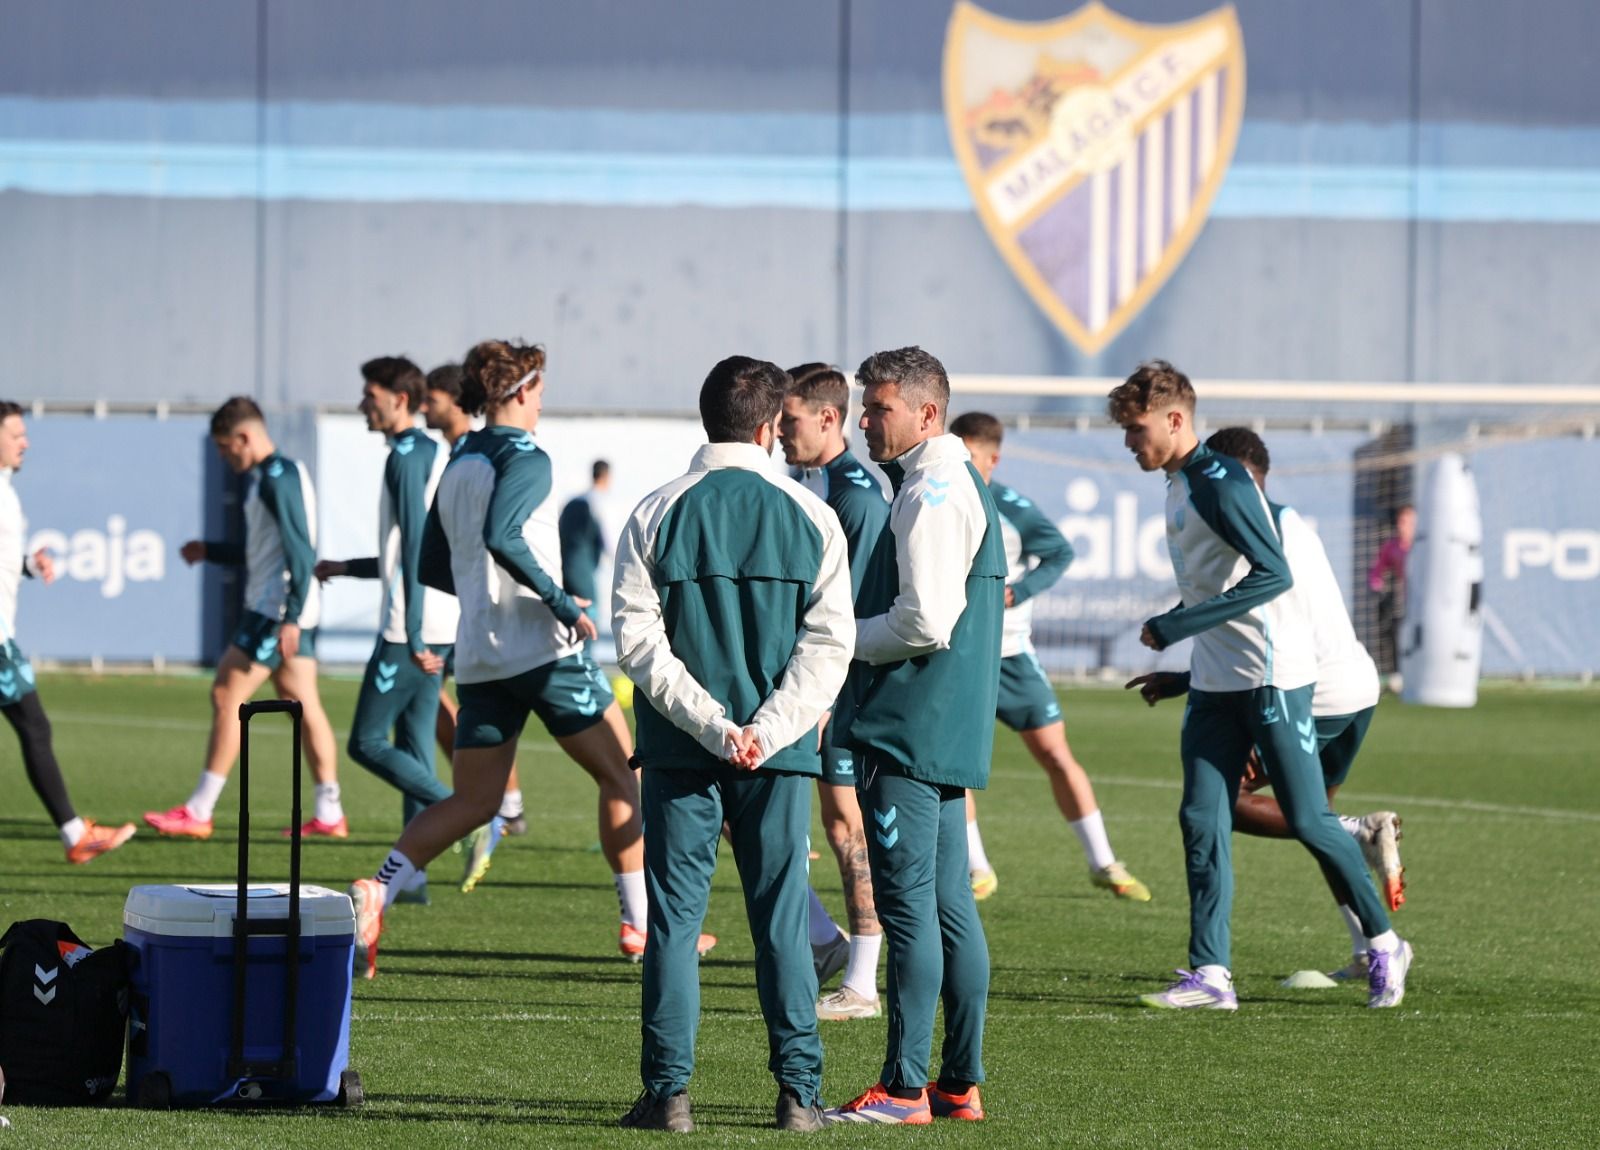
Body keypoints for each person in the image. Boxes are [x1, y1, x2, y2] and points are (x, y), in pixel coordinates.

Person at [349, 341, 672, 977]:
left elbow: (432, 564)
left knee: (474, 801)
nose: (544, 399)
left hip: (480, 654)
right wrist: (559, 601)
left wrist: (483, 597)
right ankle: (642, 925)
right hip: (542, 648)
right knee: (622, 775)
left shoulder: (460, 458)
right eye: (541, 387)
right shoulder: (526, 455)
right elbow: (505, 535)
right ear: (521, 390)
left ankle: (377, 890)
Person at [1108, 361, 1411, 1011]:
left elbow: (1272, 575)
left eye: (1136, 430)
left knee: (1308, 818)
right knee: (1201, 817)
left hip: (1274, 680)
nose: (1130, 442)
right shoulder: (1179, 481)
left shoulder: (1218, 482)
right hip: (1219, 683)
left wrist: (1177, 624)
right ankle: (1211, 976)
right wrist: (1187, 675)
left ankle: (1386, 943)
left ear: (1176, 419)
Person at [612, 355, 853, 1134]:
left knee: (676, 924)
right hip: (776, 757)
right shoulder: (811, 514)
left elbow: (638, 644)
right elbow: (829, 647)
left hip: (682, 752)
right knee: (781, 921)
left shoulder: (655, 510)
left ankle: (669, 1095)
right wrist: (764, 730)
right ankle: (798, 1097)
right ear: (767, 426)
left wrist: (712, 725)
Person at [825, 347, 1005, 1126]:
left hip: (909, 724)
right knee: (950, 909)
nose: (866, 420)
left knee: (909, 915)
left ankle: (903, 1090)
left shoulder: (931, 489)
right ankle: (957, 1084)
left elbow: (925, 621)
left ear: (926, 413)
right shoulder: (952, 480)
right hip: (943, 725)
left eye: (878, 407)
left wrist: (839, 638)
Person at [948, 412, 1151, 905]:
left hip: (1012, 655)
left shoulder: (1011, 505)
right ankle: (977, 868)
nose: (962, 467)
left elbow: (1058, 551)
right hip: (957, 656)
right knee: (952, 766)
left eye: (970, 457)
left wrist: (1020, 590)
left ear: (992, 459)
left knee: (1057, 754)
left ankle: (1103, 861)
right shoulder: (940, 499)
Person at [146, 397, 344, 840]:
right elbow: (267, 553)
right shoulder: (274, 476)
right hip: (287, 607)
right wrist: (211, 551)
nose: (223, 456)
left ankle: (199, 810)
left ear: (244, 437)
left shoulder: (277, 478)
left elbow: (300, 550)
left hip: (274, 611)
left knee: (225, 694)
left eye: (224, 446)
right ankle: (330, 811)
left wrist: (290, 616)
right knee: (304, 704)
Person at [315, 357, 459, 902]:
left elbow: (418, 550)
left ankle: (464, 812)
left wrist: (415, 634)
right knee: (415, 744)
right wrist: (345, 567)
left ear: (401, 399)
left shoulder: (406, 456)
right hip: (435, 617)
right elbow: (406, 550)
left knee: (367, 742)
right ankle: (413, 876)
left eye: (369, 395)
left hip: (410, 627)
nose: (362, 405)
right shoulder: (424, 452)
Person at [776, 362, 888, 1022]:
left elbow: (854, 613)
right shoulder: (806, 482)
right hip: (802, 684)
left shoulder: (856, 498)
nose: (781, 432)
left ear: (828, 418)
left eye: (790, 422)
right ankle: (824, 942)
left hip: (836, 691)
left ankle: (864, 983)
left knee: (846, 827)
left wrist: (823, 698)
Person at [0, 401, 136, 864]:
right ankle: (75, 834)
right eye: (15, 434)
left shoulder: (7, 490)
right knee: (35, 726)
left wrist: (26, 564)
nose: (25, 442)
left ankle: (75, 833)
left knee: (34, 726)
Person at [423, 362, 527, 837]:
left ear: (456, 401)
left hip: (479, 618)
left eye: (432, 398)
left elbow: (500, 537)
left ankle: (489, 807)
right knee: (471, 714)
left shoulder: (475, 455)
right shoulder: (455, 456)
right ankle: (502, 804)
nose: (427, 406)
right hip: (467, 615)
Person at [558, 459, 611, 650]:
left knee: (570, 617)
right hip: (584, 572)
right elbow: (606, 542)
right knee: (590, 616)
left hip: (565, 568)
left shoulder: (572, 502)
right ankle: (586, 662)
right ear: (607, 477)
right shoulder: (596, 503)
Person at [1367, 503, 1415, 677]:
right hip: (1406, 600)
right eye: (1401, 521)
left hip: (1427, 602)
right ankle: (1398, 673)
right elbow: (1376, 571)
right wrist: (1378, 587)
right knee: (1395, 630)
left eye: (1408, 521)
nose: (1403, 525)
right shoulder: (1392, 546)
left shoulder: (1423, 544)